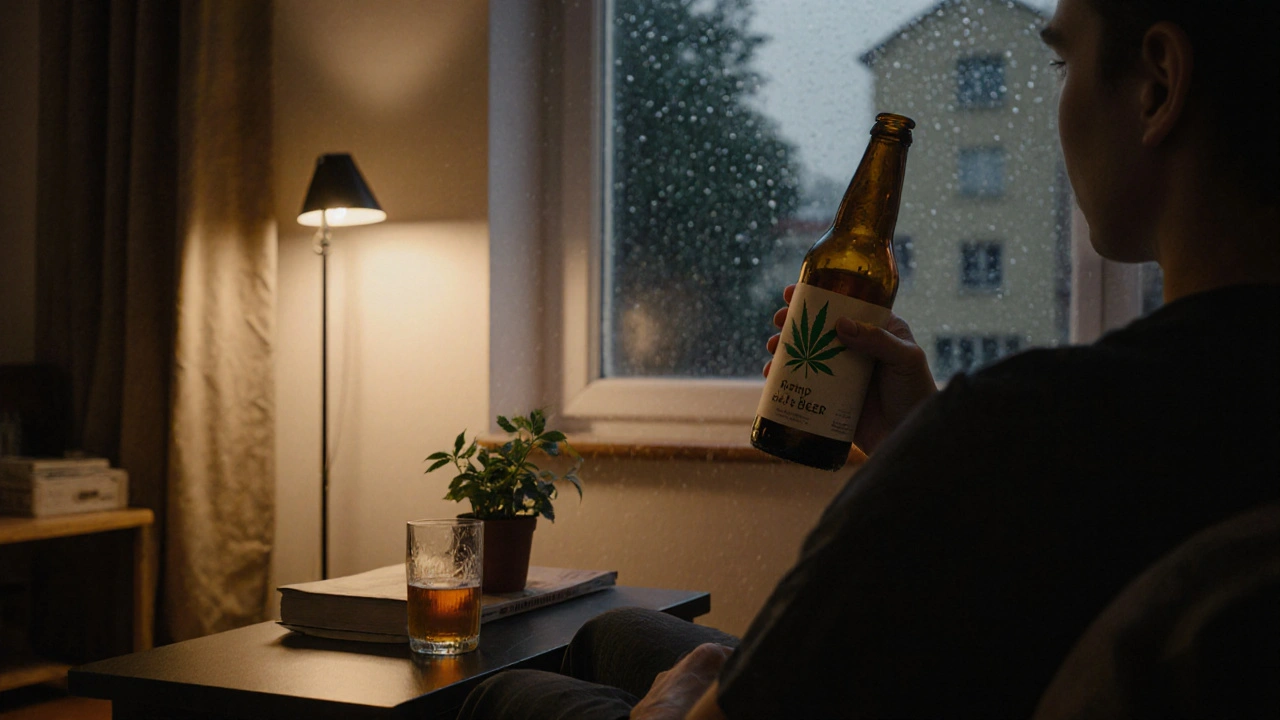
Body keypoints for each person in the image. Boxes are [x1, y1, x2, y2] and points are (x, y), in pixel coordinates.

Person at [459, 0, 1279, 716]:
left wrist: (675, 702)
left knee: (507, 692)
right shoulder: (1166, 415)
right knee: (617, 630)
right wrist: (924, 443)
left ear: (1159, 84)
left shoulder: (1039, 417)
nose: (1057, 96)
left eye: (1062, 60)